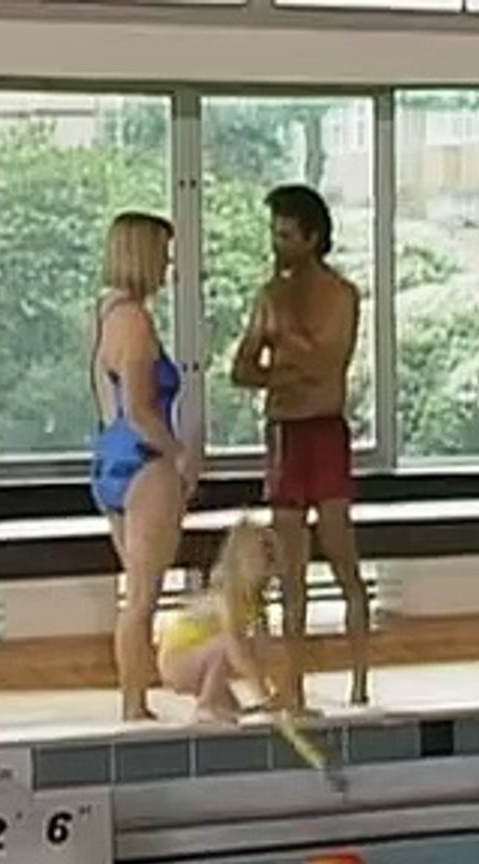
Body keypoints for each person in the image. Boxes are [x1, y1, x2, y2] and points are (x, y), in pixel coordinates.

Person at [231, 184, 370, 710]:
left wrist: (284, 343)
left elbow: (326, 363)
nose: (278, 245)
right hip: (285, 434)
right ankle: (291, 689)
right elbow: (242, 369)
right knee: (290, 572)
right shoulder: (268, 296)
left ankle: (360, 683)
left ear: (312, 238)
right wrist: (282, 373)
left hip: (324, 432)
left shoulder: (342, 296)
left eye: (287, 235)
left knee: (342, 558)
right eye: (275, 234)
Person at [90, 211, 195, 722]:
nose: (167, 268)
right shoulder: (133, 320)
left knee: (135, 590)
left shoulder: (104, 312)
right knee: (143, 596)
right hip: (144, 461)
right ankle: (134, 705)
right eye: (163, 256)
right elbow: (140, 409)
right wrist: (180, 455)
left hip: (110, 458)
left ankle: (134, 699)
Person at [157, 518, 276, 724]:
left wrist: (274, 692)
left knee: (232, 712)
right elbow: (235, 648)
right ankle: (206, 705)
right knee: (226, 644)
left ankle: (214, 703)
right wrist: (263, 693)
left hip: (204, 658)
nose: (269, 559)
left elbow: (262, 648)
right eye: (263, 553)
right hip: (178, 661)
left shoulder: (255, 601)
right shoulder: (226, 596)